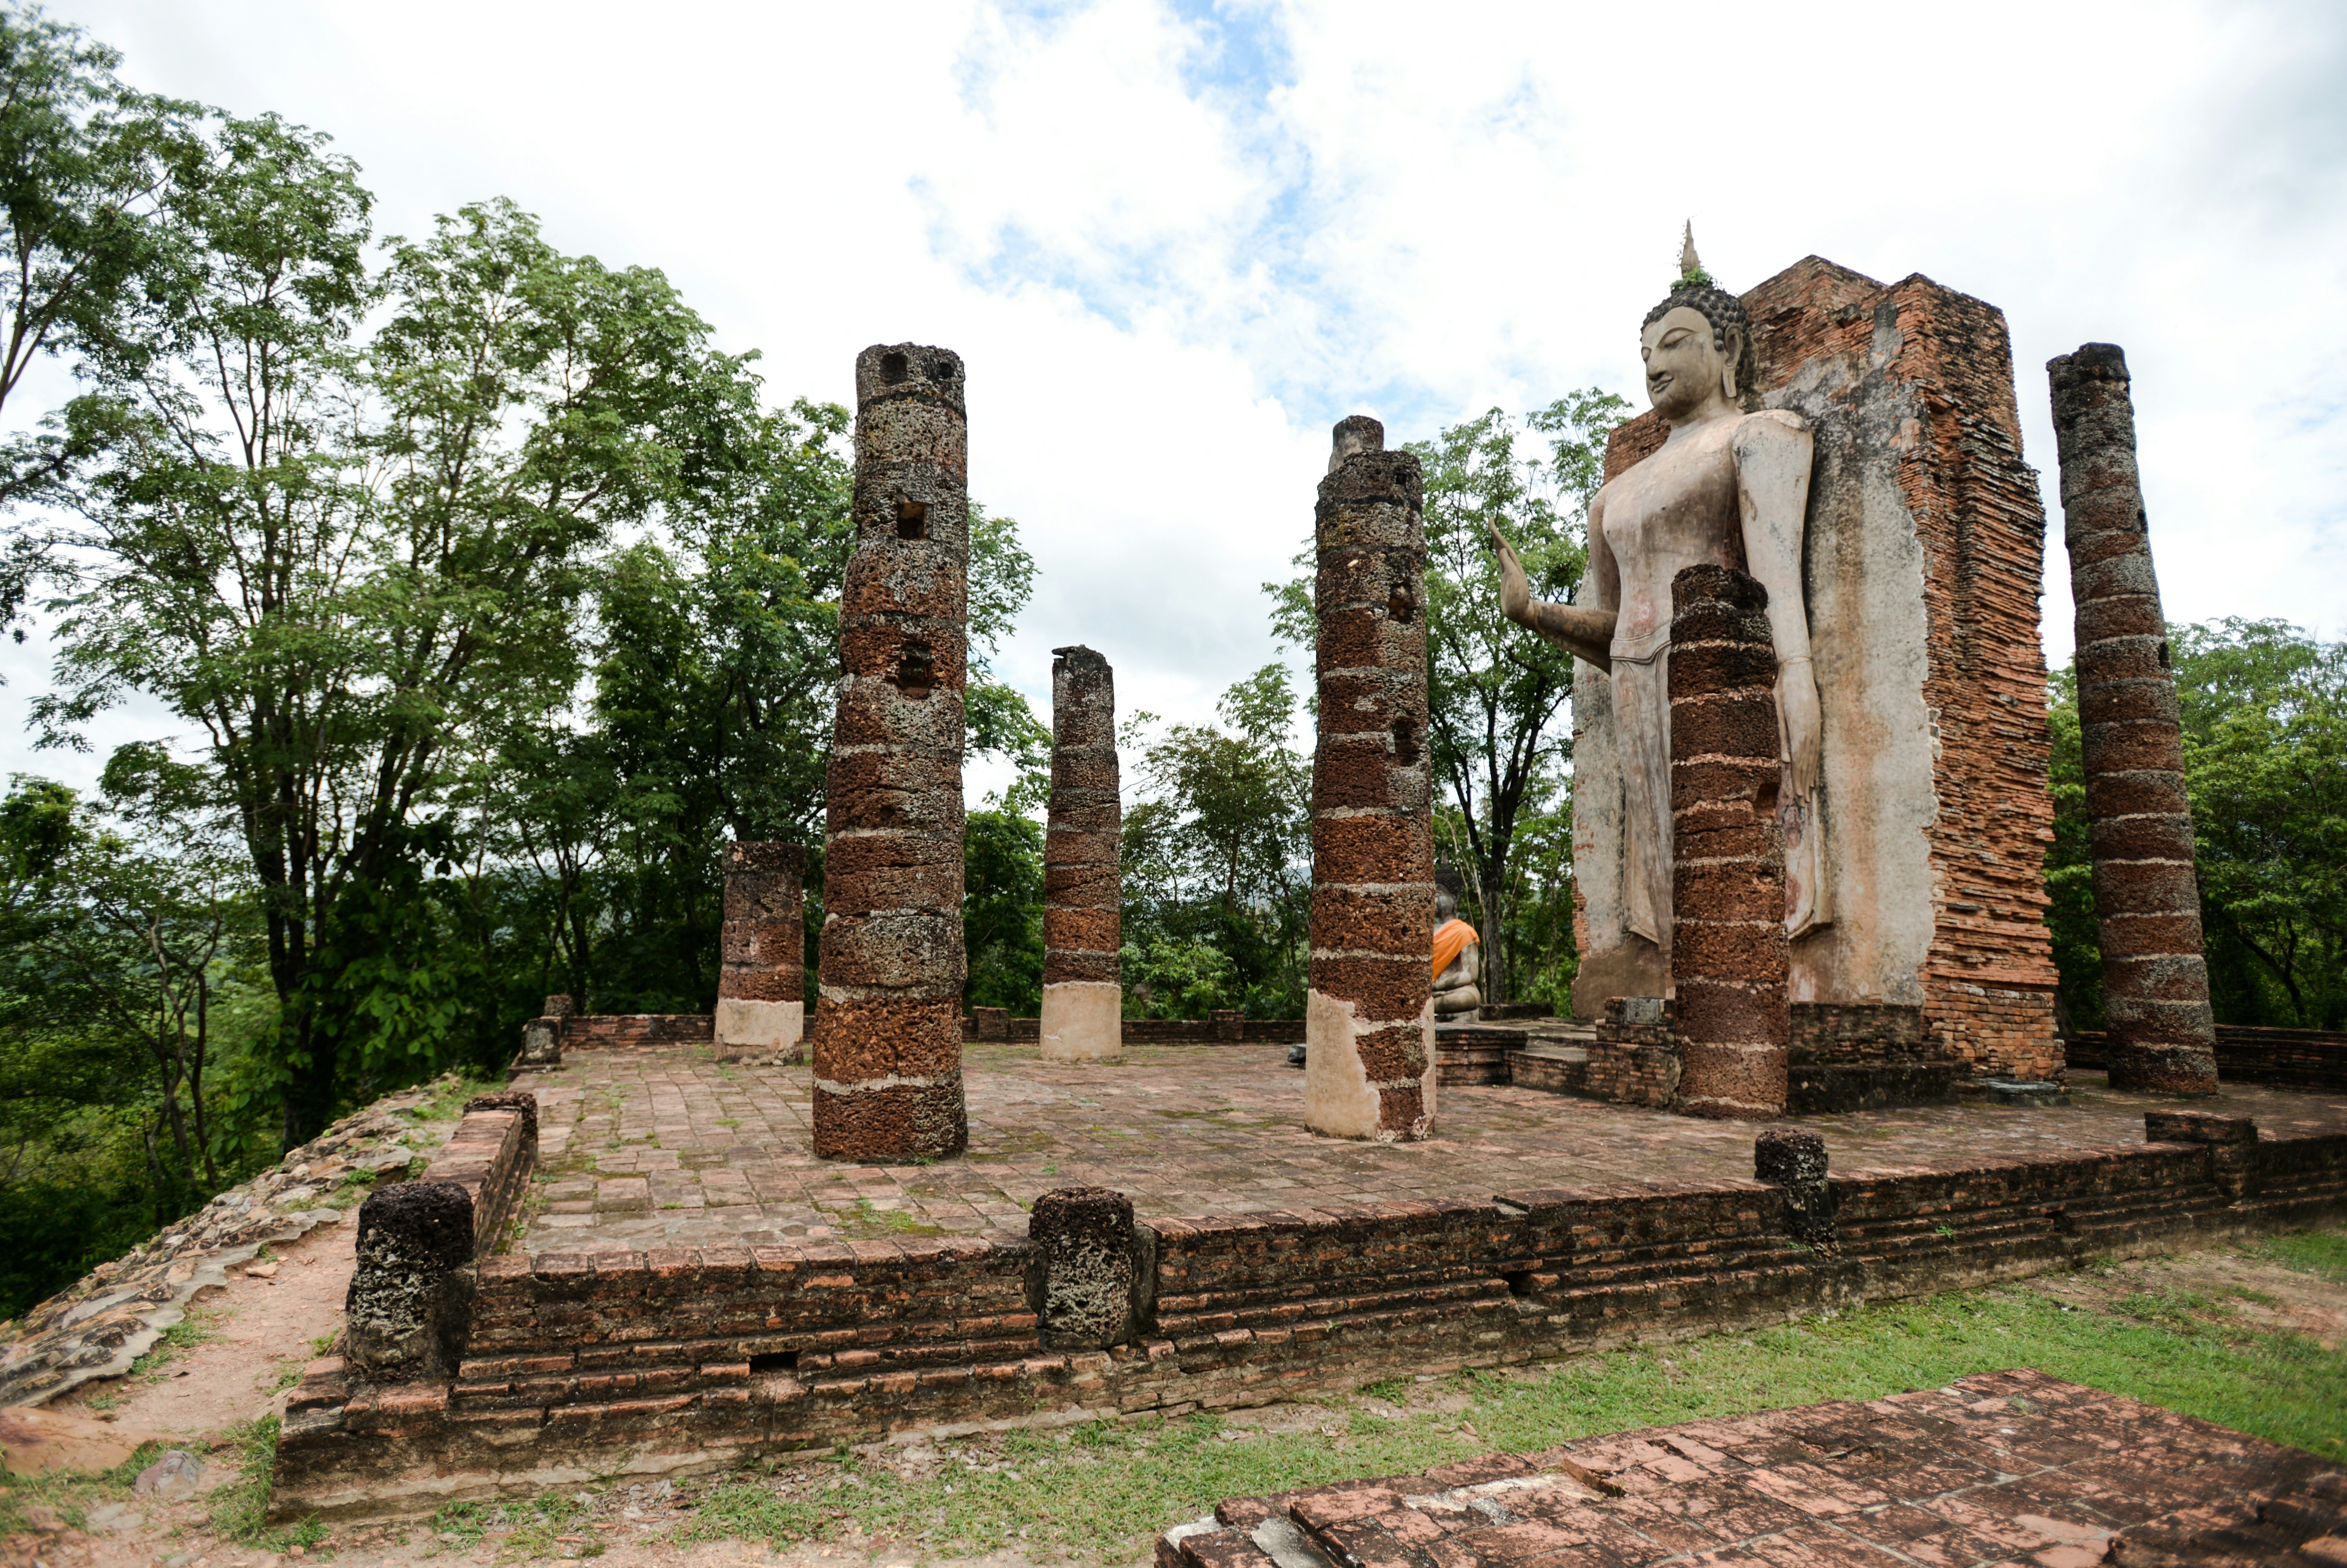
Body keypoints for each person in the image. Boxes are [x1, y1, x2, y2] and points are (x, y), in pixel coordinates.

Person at [1490, 241, 1826, 986]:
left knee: (1735, 840)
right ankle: (1690, 996)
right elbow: (1615, 632)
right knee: (1665, 856)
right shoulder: (1616, 492)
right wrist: (1535, 612)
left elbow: (1775, 583)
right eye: (1644, 351)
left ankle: (1754, 998)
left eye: (1674, 344)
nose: (1652, 364)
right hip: (1640, 680)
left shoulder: (1760, 436)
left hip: (1727, 675)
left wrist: (1796, 680)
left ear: (1725, 347)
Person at [1432, 890, 1481, 1018]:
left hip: (1458, 990)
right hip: (1428, 991)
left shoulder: (1465, 931)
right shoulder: (1426, 931)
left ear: (1455, 898)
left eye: (1437, 895)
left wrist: (1438, 986)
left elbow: (1470, 974)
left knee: (1462, 999)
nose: (1433, 900)